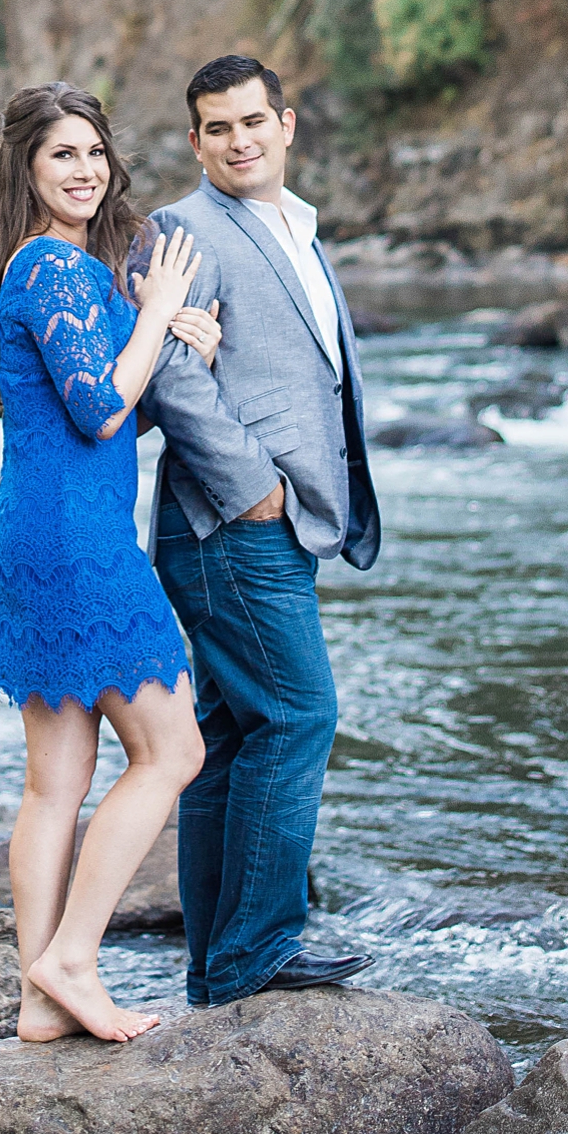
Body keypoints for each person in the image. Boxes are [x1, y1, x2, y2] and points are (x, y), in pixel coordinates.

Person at [0, 81, 222, 1044]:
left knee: (55, 782)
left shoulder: (52, 272)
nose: (86, 170)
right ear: (26, 167)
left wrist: (173, 333)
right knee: (175, 749)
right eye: (64, 154)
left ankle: (37, 998)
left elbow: (104, 413)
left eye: (96, 153)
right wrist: (160, 307)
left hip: (36, 531)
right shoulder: (55, 271)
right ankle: (70, 957)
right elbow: (105, 408)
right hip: (74, 544)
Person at [137, 55, 382, 1009]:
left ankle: (216, 966)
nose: (239, 141)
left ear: (286, 124)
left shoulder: (299, 227)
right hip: (229, 524)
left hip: (275, 524)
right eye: (217, 128)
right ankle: (256, 953)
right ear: (196, 142)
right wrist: (254, 493)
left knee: (234, 734)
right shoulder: (179, 231)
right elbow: (168, 374)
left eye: (253, 122)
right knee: (297, 715)